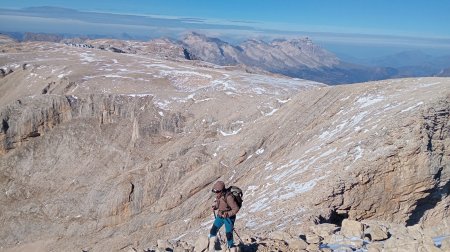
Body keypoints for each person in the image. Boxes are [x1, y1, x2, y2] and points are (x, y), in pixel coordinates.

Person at [208, 181, 240, 252]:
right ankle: (211, 248)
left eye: (217, 191)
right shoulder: (219, 195)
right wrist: (215, 207)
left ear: (222, 190)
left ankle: (232, 249)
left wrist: (228, 214)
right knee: (213, 230)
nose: (216, 193)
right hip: (220, 215)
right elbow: (220, 204)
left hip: (229, 218)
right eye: (215, 191)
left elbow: (236, 208)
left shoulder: (229, 197)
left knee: (228, 234)